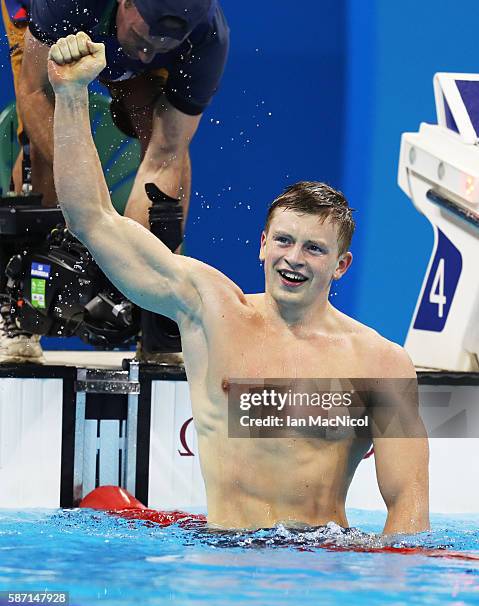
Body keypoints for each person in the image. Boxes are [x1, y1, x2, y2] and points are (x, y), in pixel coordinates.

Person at [48, 34, 430, 533]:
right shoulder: (208, 310)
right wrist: (72, 94)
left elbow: (408, 506)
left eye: (314, 249)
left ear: (341, 265)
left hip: (322, 568)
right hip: (224, 562)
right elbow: (92, 219)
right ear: (262, 243)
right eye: (284, 241)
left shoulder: (382, 364)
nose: (294, 260)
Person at [0, 0, 229, 364]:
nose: (144, 52)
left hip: (110, 23)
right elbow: (33, 91)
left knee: (161, 137)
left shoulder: (207, 37)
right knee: (46, 135)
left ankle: (158, 322)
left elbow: (165, 152)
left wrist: (135, 271)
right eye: (141, 37)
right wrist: (89, 197)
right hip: (58, 18)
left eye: (159, 47)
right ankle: (20, 312)